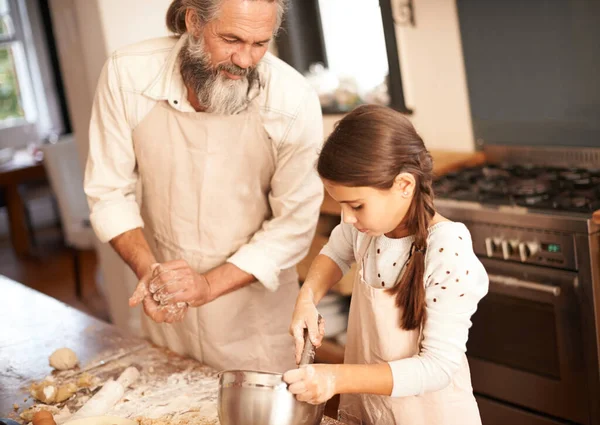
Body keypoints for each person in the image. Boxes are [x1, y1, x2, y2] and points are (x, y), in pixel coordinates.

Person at [84, 0, 324, 373]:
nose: (245, 60)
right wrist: (153, 275)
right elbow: (108, 191)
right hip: (165, 312)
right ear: (194, 21)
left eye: (260, 43)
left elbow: (294, 224)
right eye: (231, 39)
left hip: (253, 322)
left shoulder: (292, 99)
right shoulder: (127, 73)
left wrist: (208, 286)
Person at [282, 104, 489, 424]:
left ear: (404, 185)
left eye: (356, 205)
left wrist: (336, 378)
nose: (348, 217)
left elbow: (436, 368)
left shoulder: (448, 249)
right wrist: (307, 297)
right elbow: (335, 252)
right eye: (342, 205)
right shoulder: (364, 227)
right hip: (373, 413)